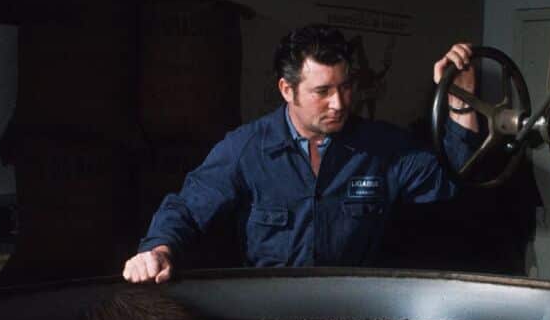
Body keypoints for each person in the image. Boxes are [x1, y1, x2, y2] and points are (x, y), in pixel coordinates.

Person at [123, 24, 480, 283]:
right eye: (322, 91)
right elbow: (187, 207)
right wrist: (159, 249)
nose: (339, 103)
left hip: (356, 316)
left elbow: (451, 179)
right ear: (287, 90)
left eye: (345, 87)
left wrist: (461, 100)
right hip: (272, 317)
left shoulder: (381, 148)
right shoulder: (247, 149)